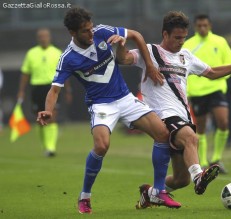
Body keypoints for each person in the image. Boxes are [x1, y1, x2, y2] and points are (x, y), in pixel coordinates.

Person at [36, 7, 189, 214]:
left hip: (125, 98)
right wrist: (48, 110)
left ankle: (158, 191)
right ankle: (85, 196)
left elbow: (136, 35)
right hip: (101, 104)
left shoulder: (102, 31)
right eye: (85, 31)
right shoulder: (68, 58)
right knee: (101, 146)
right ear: (73, 33)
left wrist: (151, 66)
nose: (91, 34)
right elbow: (54, 91)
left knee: (162, 133)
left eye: (91, 29)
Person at [116, 11, 231, 208]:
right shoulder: (149, 52)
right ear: (165, 34)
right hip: (161, 116)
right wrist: (120, 46)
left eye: (184, 38)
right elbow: (124, 59)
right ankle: (199, 177)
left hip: (182, 116)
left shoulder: (186, 56)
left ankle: (150, 193)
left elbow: (212, 73)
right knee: (191, 138)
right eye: (177, 38)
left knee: (180, 180)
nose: (181, 42)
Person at [183, 14, 231, 174]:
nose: (202, 28)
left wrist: (218, 77)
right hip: (197, 92)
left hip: (216, 88)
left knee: (223, 122)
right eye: (199, 26)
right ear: (195, 27)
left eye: (205, 25)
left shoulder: (220, 42)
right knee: (201, 129)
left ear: (210, 26)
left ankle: (217, 159)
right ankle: (204, 163)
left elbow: (230, 63)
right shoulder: (188, 45)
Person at [17, 28, 72, 157]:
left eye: (45, 36)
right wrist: (21, 91)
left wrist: (68, 90)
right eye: (41, 36)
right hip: (36, 87)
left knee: (52, 116)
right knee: (40, 119)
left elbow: (65, 72)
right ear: (38, 38)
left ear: (49, 37)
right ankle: (45, 145)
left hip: (52, 87)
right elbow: (25, 73)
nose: (43, 38)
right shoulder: (31, 53)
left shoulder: (57, 52)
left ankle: (51, 148)